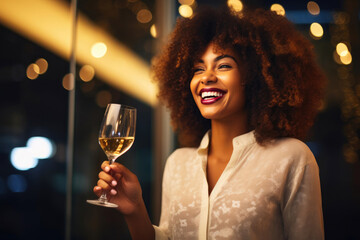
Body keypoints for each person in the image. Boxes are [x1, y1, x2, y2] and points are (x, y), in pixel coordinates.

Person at [93, 5, 326, 240]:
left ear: (252, 76)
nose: (207, 77)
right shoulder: (177, 164)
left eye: (223, 65)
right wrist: (135, 211)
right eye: (197, 69)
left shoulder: (292, 158)